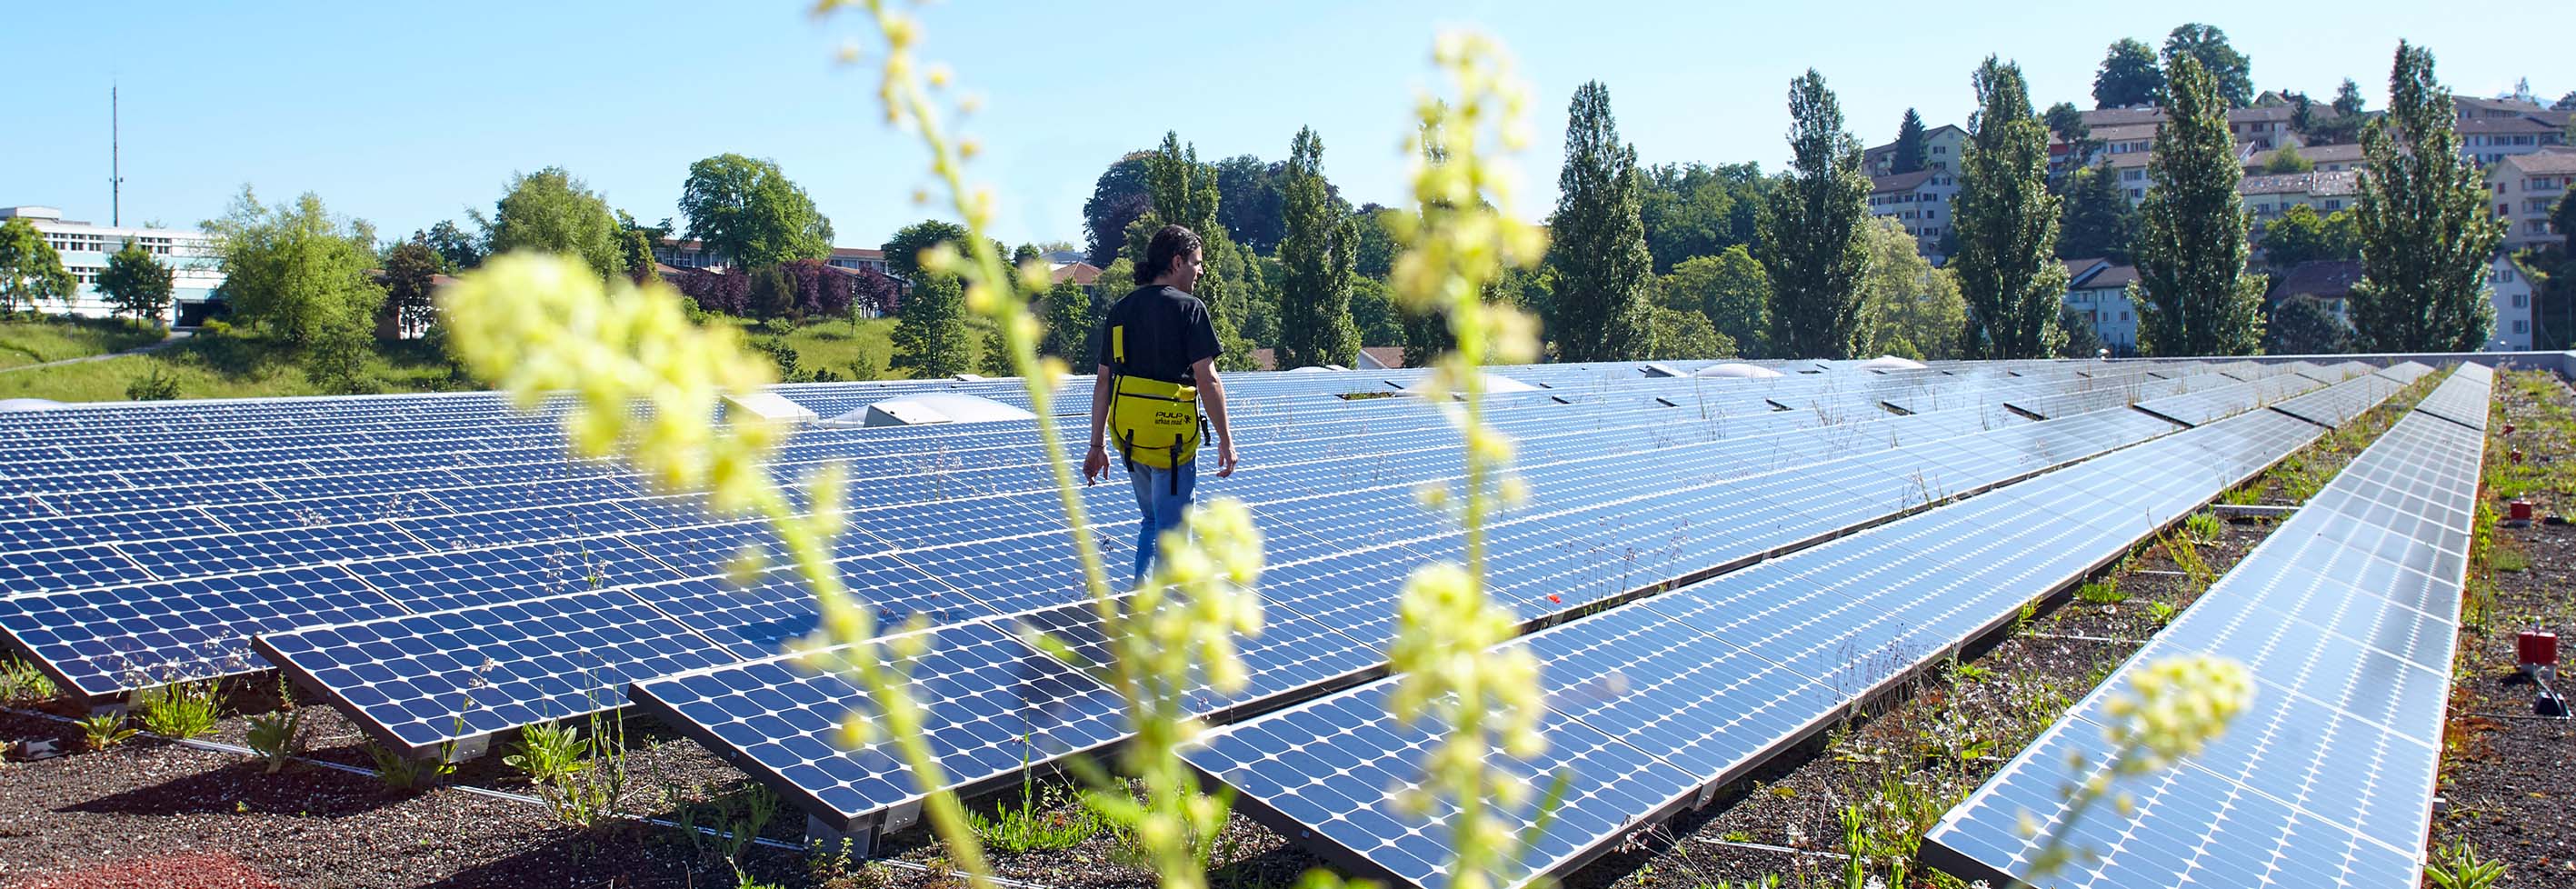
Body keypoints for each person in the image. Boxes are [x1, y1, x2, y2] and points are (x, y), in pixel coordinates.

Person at [1083, 225, 1238, 581]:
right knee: (1172, 532)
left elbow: (1104, 381)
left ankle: (1146, 603)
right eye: (1196, 263)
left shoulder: (1121, 310)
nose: (1200, 271)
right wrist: (1226, 440)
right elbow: (1208, 378)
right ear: (1176, 261)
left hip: (1131, 438)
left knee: (1152, 521)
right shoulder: (1190, 309)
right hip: (1173, 441)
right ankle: (1157, 614)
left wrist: (1097, 445)